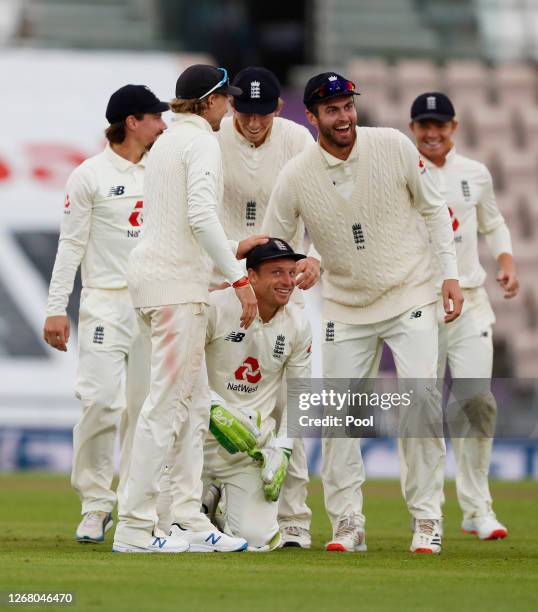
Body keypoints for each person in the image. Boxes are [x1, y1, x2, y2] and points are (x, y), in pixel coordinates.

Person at [262, 72, 464, 554]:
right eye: (331, 110)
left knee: (420, 407)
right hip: (345, 307)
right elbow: (276, 244)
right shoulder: (296, 175)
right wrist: (302, 260)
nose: (344, 116)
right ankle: (348, 523)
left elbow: (434, 209)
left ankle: (427, 519)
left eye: (348, 106)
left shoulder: (392, 145)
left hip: (409, 293)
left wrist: (449, 275)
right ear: (311, 117)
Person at [112, 65, 263, 553]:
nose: (232, 108)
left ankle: (186, 520)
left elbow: (180, 221)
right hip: (175, 291)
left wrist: (233, 251)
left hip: (161, 282)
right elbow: (199, 217)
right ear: (210, 100)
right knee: (165, 408)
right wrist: (241, 282)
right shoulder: (200, 143)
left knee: (194, 407)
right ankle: (135, 527)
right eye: (227, 99)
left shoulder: (168, 143)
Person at [43, 85, 169, 543]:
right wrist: (57, 308)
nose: (163, 124)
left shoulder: (164, 168)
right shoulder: (89, 175)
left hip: (156, 302)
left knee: (146, 409)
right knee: (99, 401)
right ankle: (96, 504)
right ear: (132, 122)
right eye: (155, 117)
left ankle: (137, 505)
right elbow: (71, 245)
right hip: (105, 302)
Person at [215, 66, 318, 548]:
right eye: (244, 112)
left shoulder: (297, 139)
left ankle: (295, 518)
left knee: (291, 402)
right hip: (220, 278)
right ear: (231, 104)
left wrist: (313, 255)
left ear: (279, 108)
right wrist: (232, 256)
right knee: (209, 388)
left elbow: (319, 203)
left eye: (263, 114)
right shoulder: (212, 139)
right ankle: (187, 497)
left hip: (281, 278)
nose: (253, 123)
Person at [409, 92, 519, 540]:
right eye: (423, 125)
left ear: (454, 127)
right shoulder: (402, 171)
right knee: (422, 410)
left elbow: (493, 222)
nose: (432, 133)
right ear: (412, 128)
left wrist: (507, 261)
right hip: (419, 302)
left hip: (471, 299)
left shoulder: (475, 173)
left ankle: (477, 509)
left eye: (440, 124)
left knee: (476, 402)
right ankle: (427, 513)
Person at [158, 239, 312, 551]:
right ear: (251, 276)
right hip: (193, 443)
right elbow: (178, 366)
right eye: (276, 272)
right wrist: (213, 407)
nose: (287, 281)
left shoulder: (297, 323)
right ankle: (204, 495)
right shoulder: (216, 306)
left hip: (246, 451)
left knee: (255, 541)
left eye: (291, 272)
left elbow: (301, 394)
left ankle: (216, 501)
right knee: (161, 531)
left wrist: (282, 448)